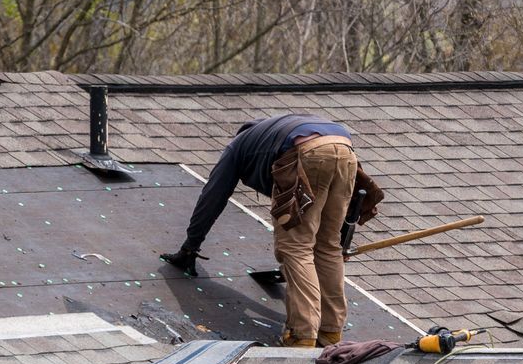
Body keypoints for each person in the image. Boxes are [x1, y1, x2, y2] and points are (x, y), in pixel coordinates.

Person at [162, 115, 383, 347]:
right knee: (329, 246)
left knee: (296, 247)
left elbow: (213, 196)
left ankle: (302, 334)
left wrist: (190, 246)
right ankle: (330, 331)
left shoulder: (239, 147)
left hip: (309, 154)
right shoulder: (275, 135)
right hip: (345, 150)